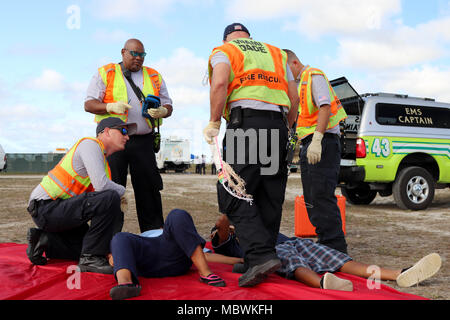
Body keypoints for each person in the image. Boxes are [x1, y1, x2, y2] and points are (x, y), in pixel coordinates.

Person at [203, 23, 299, 287]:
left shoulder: (226, 50)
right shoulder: (276, 53)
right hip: (277, 127)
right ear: (250, 38)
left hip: (246, 127)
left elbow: (221, 81)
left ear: (227, 38)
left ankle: (259, 256)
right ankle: (261, 258)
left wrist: (213, 122)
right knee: (268, 196)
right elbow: (294, 96)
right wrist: (287, 130)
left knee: (233, 194)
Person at [210, 214, 442, 291]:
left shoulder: (257, 224)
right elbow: (221, 223)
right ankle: (322, 282)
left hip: (294, 241)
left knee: (340, 260)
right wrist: (233, 218)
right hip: (272, 250)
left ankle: (400, 274)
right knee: (290, 262)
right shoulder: (229, 242)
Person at [26, 118, 137, 274]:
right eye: (123, 131)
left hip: (62, 213)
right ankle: (90, 259)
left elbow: (103, 205)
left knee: (90, 246)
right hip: (45, 208)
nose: (127, 137)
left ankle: (45, 239)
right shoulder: (90, 145)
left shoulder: (102, 162)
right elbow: (102, 186)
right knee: (111, 196)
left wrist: (109, 247)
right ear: (106, 132)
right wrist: (123, 192)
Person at [84, 38, 173, 233]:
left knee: (149, 190)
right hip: (113, 141)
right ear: (123, 52)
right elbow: (88, 104)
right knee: (111, 189)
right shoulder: (106, 72)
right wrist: (109, 106)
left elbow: (169, 105)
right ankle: (108, 241)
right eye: (134, 54)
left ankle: (154, 237)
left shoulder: (154, 75)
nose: (138, 58)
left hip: (143, 140)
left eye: (142, 55)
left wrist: (163, 112)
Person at [284, 49, 348, 254]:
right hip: (309, 144)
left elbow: (325, 106)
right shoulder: (299, 85)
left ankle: (335, 246)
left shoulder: (314, 75)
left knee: (322, 195)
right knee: (311, 197)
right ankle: (325, 240)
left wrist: (318, 139)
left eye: (285, 70)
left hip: (323, 143)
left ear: (294, 63)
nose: (285, 76)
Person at [108, 209, 229, 300]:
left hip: (173, 256)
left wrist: (238, 260)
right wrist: (116, 255)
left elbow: (207, 255)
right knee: (119, 237)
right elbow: (118, 251)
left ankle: (206, 273)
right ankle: (125, 284)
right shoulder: (137, 240)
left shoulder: (180, 234)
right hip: (144, 259)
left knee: (177, 214)